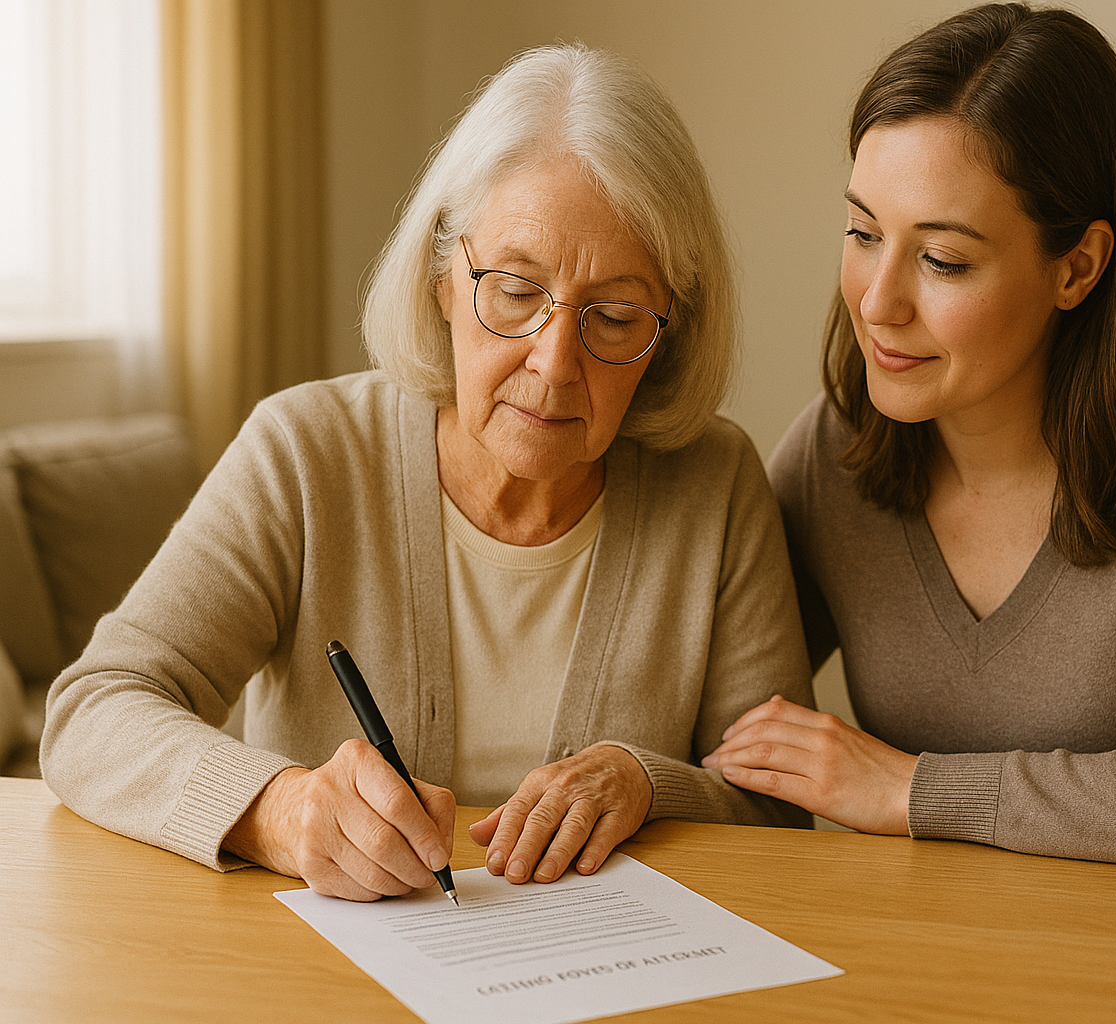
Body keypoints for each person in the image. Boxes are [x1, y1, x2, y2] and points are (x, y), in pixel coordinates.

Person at [42, 44, 812, 902]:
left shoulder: (718, 482)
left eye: (617, 315)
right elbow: (92, 712)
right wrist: (280, 811)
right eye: (516, 291)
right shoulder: (305, 452)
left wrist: (644, 781)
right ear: (444, 275)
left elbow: (779, 810)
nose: (556, 363)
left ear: (669, 330)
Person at [703, 3, 1116, 878]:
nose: (877, 302)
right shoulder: (837, 451)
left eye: (942, 260)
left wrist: (919, 792)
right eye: (864, 233)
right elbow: (721, 733)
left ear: (1078, 268)